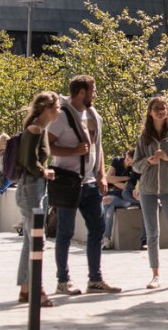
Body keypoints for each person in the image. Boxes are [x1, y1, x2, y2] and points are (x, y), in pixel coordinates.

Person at [47, 75, 120, 295]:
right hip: (68, 182)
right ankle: (63, 280)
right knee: (65, 232)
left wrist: (101, 174)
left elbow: (98, 147)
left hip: (89, 184)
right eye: (93, 90)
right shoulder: (61, 116)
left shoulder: (94, 114)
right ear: (81, 93)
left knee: (97, 228)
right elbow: (47, 147)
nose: (95, 94)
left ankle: (95, 280)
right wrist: (74, 152)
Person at [132, 96, 168, 290]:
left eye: (164, 107)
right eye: (157, 108)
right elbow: (135, 166)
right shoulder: (144, 137)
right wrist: (148, 162)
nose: (161, 110)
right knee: (152, 233)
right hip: (147, 190)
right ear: (150, 112)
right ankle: (155, 275)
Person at [16, 91, 60, 308]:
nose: (59, 111)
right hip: (31, 187)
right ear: (47, 109)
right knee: (36, 240)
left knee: (31, 240)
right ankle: (36, 288)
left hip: (34, 187)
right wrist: (45, 172)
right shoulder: (35, 129)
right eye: (57, 107)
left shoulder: (39, 128)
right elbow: (28, 161)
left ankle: (26, 289)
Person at [102, 150, 144, 251]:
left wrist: (114, 180)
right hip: (114, 195)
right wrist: (125, 177)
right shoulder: (116, 161)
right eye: (128, 159)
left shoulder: (135, 168)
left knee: (111, 201)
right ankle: (106, 239)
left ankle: (106, 239)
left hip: (124, 196)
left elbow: (126, 186)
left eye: (131, 161)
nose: (129, 163)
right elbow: (107, 178)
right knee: (109, 206)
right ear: (125, 155)